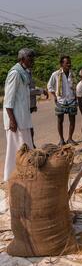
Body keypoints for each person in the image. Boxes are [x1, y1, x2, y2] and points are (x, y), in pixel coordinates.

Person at [3, 49, 35, 181]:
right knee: (16, 151)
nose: (32, 61)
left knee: (26, 149)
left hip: (23, 119)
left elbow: (25, 93)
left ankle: (24, 176)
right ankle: (10, 178)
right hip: (16, 120)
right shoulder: (15, 74)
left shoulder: (23, 73)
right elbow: (8, 101)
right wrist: (12, 121)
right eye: (30, 58)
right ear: (22, 59)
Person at [47, 55, 78, 146]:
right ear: (61, 64)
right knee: (60, 121)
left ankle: (70, 138)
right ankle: (61, 139)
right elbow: (49, 86)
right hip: (61, 101)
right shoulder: (56, 74)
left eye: (69, 62)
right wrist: (54, 96)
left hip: (71, 100)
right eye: (66, 63)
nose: (69, 64)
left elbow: (76, 86)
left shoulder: (73, 74)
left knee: (72, 120)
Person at [27, 68, 48, 148]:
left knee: (29, 128)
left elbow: (32, 87)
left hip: (29, 105)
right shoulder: (24, 73)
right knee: (29, 129)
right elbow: (27, 90)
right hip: (24, 106)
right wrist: (41, 91)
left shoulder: (29, 72)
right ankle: (31, 145)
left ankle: (31, 145)